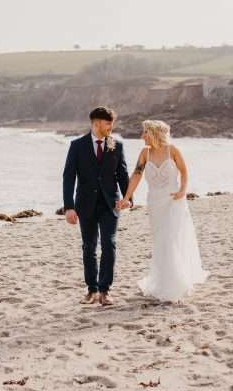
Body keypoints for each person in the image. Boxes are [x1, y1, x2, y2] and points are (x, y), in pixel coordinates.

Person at [118, 120, 208, 302]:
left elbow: (184, 171)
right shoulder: (145, 153)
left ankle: (175, 284)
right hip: (155, 203)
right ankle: (163, 282)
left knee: (171, 240)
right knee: (161, 242)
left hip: (174, 200)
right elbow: (136, 174)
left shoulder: (172, 150)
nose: (142, 136)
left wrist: (183, 190)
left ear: (153, 133)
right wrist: (126, 197)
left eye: (145, 133)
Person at [62, 106, 131, 306]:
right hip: (85, 205)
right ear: (96, 123)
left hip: (111, 204)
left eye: (112, 123)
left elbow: (122, 174)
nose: (111, 127)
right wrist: (69, 207)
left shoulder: (116, 145)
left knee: (109, 244)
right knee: (89, 247)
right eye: (108, 123)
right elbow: (69, 177)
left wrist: (128, 198)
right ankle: (91, 289)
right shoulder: (77, 146)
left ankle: (105, 290)